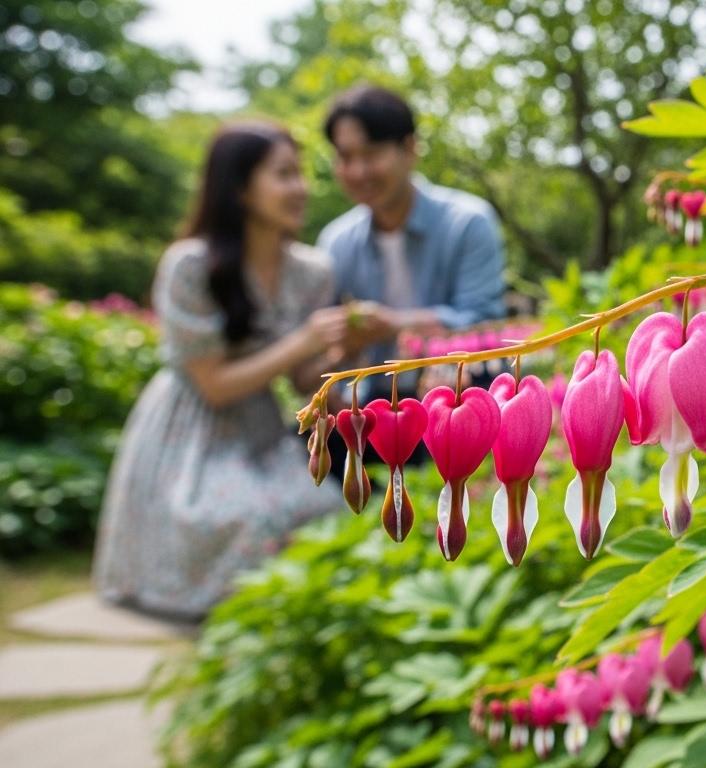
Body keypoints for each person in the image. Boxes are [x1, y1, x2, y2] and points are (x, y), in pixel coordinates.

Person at [93, 122, 345, 620]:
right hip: (188, 430)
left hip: (260, 431)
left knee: (326, 508)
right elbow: (213, 387)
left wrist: (338, 353)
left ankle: (290, 621)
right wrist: (303, 341)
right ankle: (237, 621)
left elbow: (301, 379)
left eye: (301, 174)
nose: (301, 188)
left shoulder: (312, 271)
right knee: (244, 517)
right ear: (239, 188)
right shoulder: (190, 266)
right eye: (284, 175)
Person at [317, 84, 507, 394]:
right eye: (345, 157)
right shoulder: (337, 242)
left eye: (371, 153)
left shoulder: (468, 223)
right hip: (375, 403)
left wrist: (392, 325)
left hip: (466, 390)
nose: (358, 171)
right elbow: (330, 351)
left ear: (410, 149)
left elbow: (484, 326)